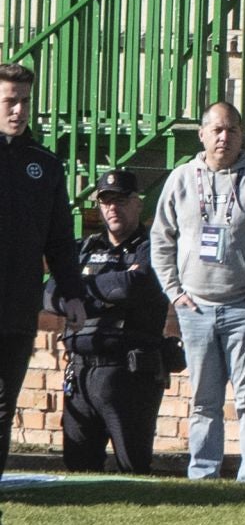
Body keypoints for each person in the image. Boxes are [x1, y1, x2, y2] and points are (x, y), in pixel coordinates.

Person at [150, 102, 245, 483]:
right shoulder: (182, 179)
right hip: (195, 310)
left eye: (231, 130)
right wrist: (174, 291)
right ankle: (203, 474)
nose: (224, 137)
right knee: (204, 400)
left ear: (241, 135)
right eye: (216, 129)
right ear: (201, 134)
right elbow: (161, 238)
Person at [0, 63, 84, 512]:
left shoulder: (44, 165)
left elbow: (59, 239)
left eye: (24, 101)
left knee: (2, 401)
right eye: (9, 101)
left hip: (16, 306)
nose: (18, 110)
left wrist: (70, 292)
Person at [55, 170, 172, 478]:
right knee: (78, 466)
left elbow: (133, 285)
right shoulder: (85, 248)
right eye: (106, 202)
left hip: (129, 372)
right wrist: (91, 291)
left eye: (120, 201)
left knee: (132, 466)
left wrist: (78, 292)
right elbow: (50, 292)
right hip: (80, 371)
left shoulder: (152, 248)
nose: (112, 208)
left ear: (137, 204)